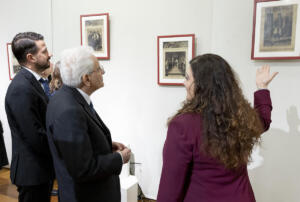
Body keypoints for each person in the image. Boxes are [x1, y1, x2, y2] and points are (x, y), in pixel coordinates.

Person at [157, 54, 278, 202]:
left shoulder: (182, 126)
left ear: (202, 85)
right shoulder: (239, 116)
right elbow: (263, 121)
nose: (184, 83)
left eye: (188, 78)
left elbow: (170, 190)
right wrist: (262, 88)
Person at [46, 46, 131, 202]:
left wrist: (105, 144)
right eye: (99, 69)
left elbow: (75, 148)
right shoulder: (69, 110)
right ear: (86, 79)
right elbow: (83, 169)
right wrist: (119, 158)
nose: (103, 72)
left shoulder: (68, 98)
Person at [5, 32, 55, 202]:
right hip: (32, 172)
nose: (50, 54)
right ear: (31, 57)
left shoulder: (34, 81)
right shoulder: (22, 88)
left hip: (40, 168)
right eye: (44, 51)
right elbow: (35, 136)